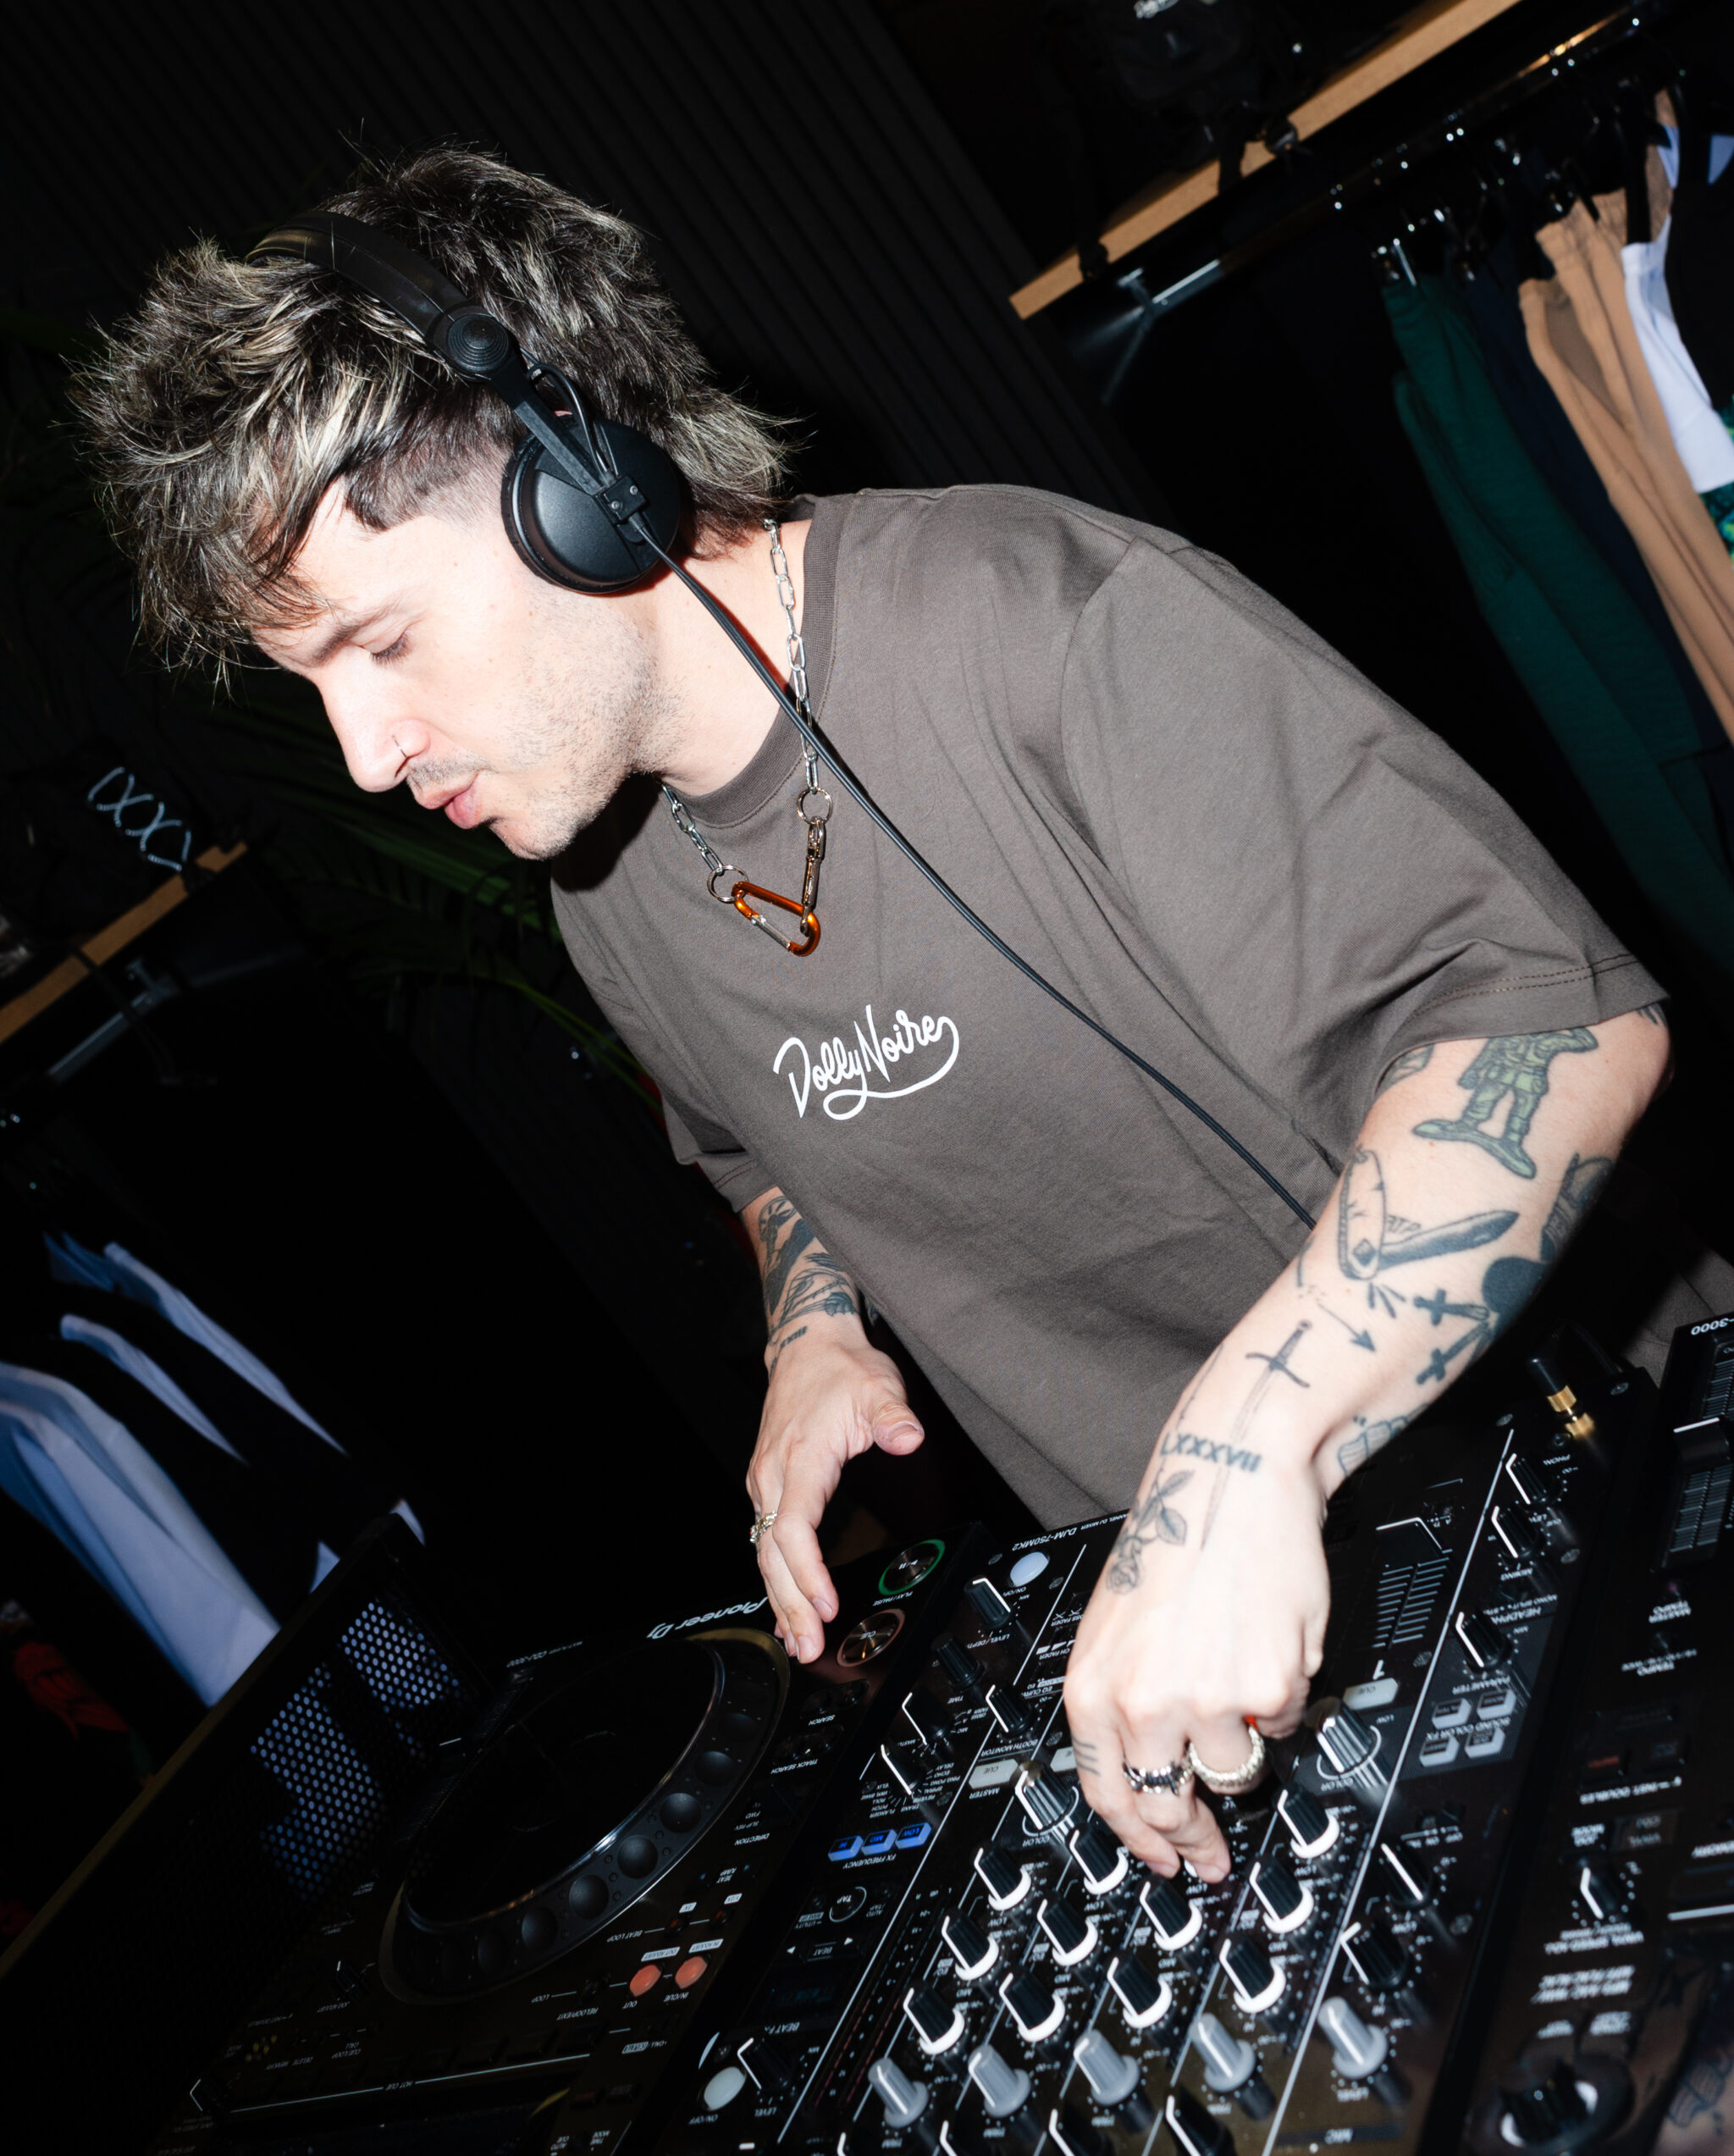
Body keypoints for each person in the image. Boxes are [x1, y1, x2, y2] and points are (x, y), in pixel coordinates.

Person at [76, 146, 1672, 1884]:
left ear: (575, 482)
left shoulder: (1047, 622)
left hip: (1609, 1517)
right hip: (1204, 1682)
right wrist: (814, 1324)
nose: (367, 758)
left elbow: (1552, 1028)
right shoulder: (601, 883)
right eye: (312, 685)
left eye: (382, 644)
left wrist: (1245, 1446)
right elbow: (762, 1152)